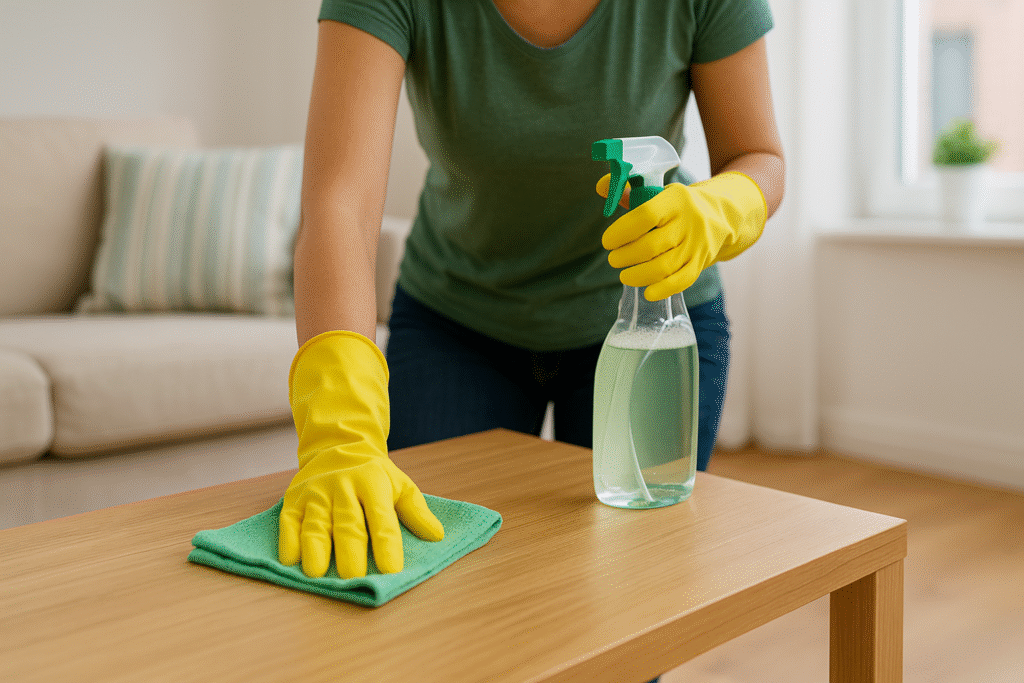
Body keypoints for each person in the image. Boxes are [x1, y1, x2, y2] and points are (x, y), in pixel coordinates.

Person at [279, 0, 785, 588]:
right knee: (438, 594)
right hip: (457, 320)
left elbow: (759, 156)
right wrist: (339, 431)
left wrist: (723, 207)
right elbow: (339, 199)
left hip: (652, 322)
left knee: (632, 596)